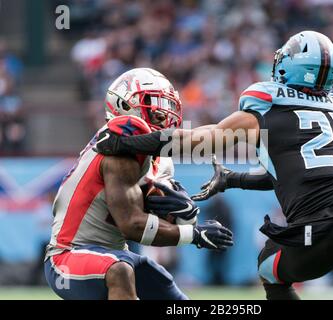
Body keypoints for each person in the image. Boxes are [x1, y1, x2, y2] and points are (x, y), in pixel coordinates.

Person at [94, 31, 333, 300]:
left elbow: (197, 139)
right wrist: (233, 179)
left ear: (291, 65)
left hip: (314, 234)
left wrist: (129, 143)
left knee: (269, 269)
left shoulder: (266, 107)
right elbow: (296, 174)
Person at [44, 68, 233, 300]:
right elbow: (132, 225)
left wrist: (186, 214)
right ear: (124, 105)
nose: (163, 114)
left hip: (115, 254)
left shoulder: (159, 160)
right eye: (152, 102)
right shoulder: (119, 144)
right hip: (68, 256)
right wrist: (194, 234)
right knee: (119, 271)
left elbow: (161, 225)